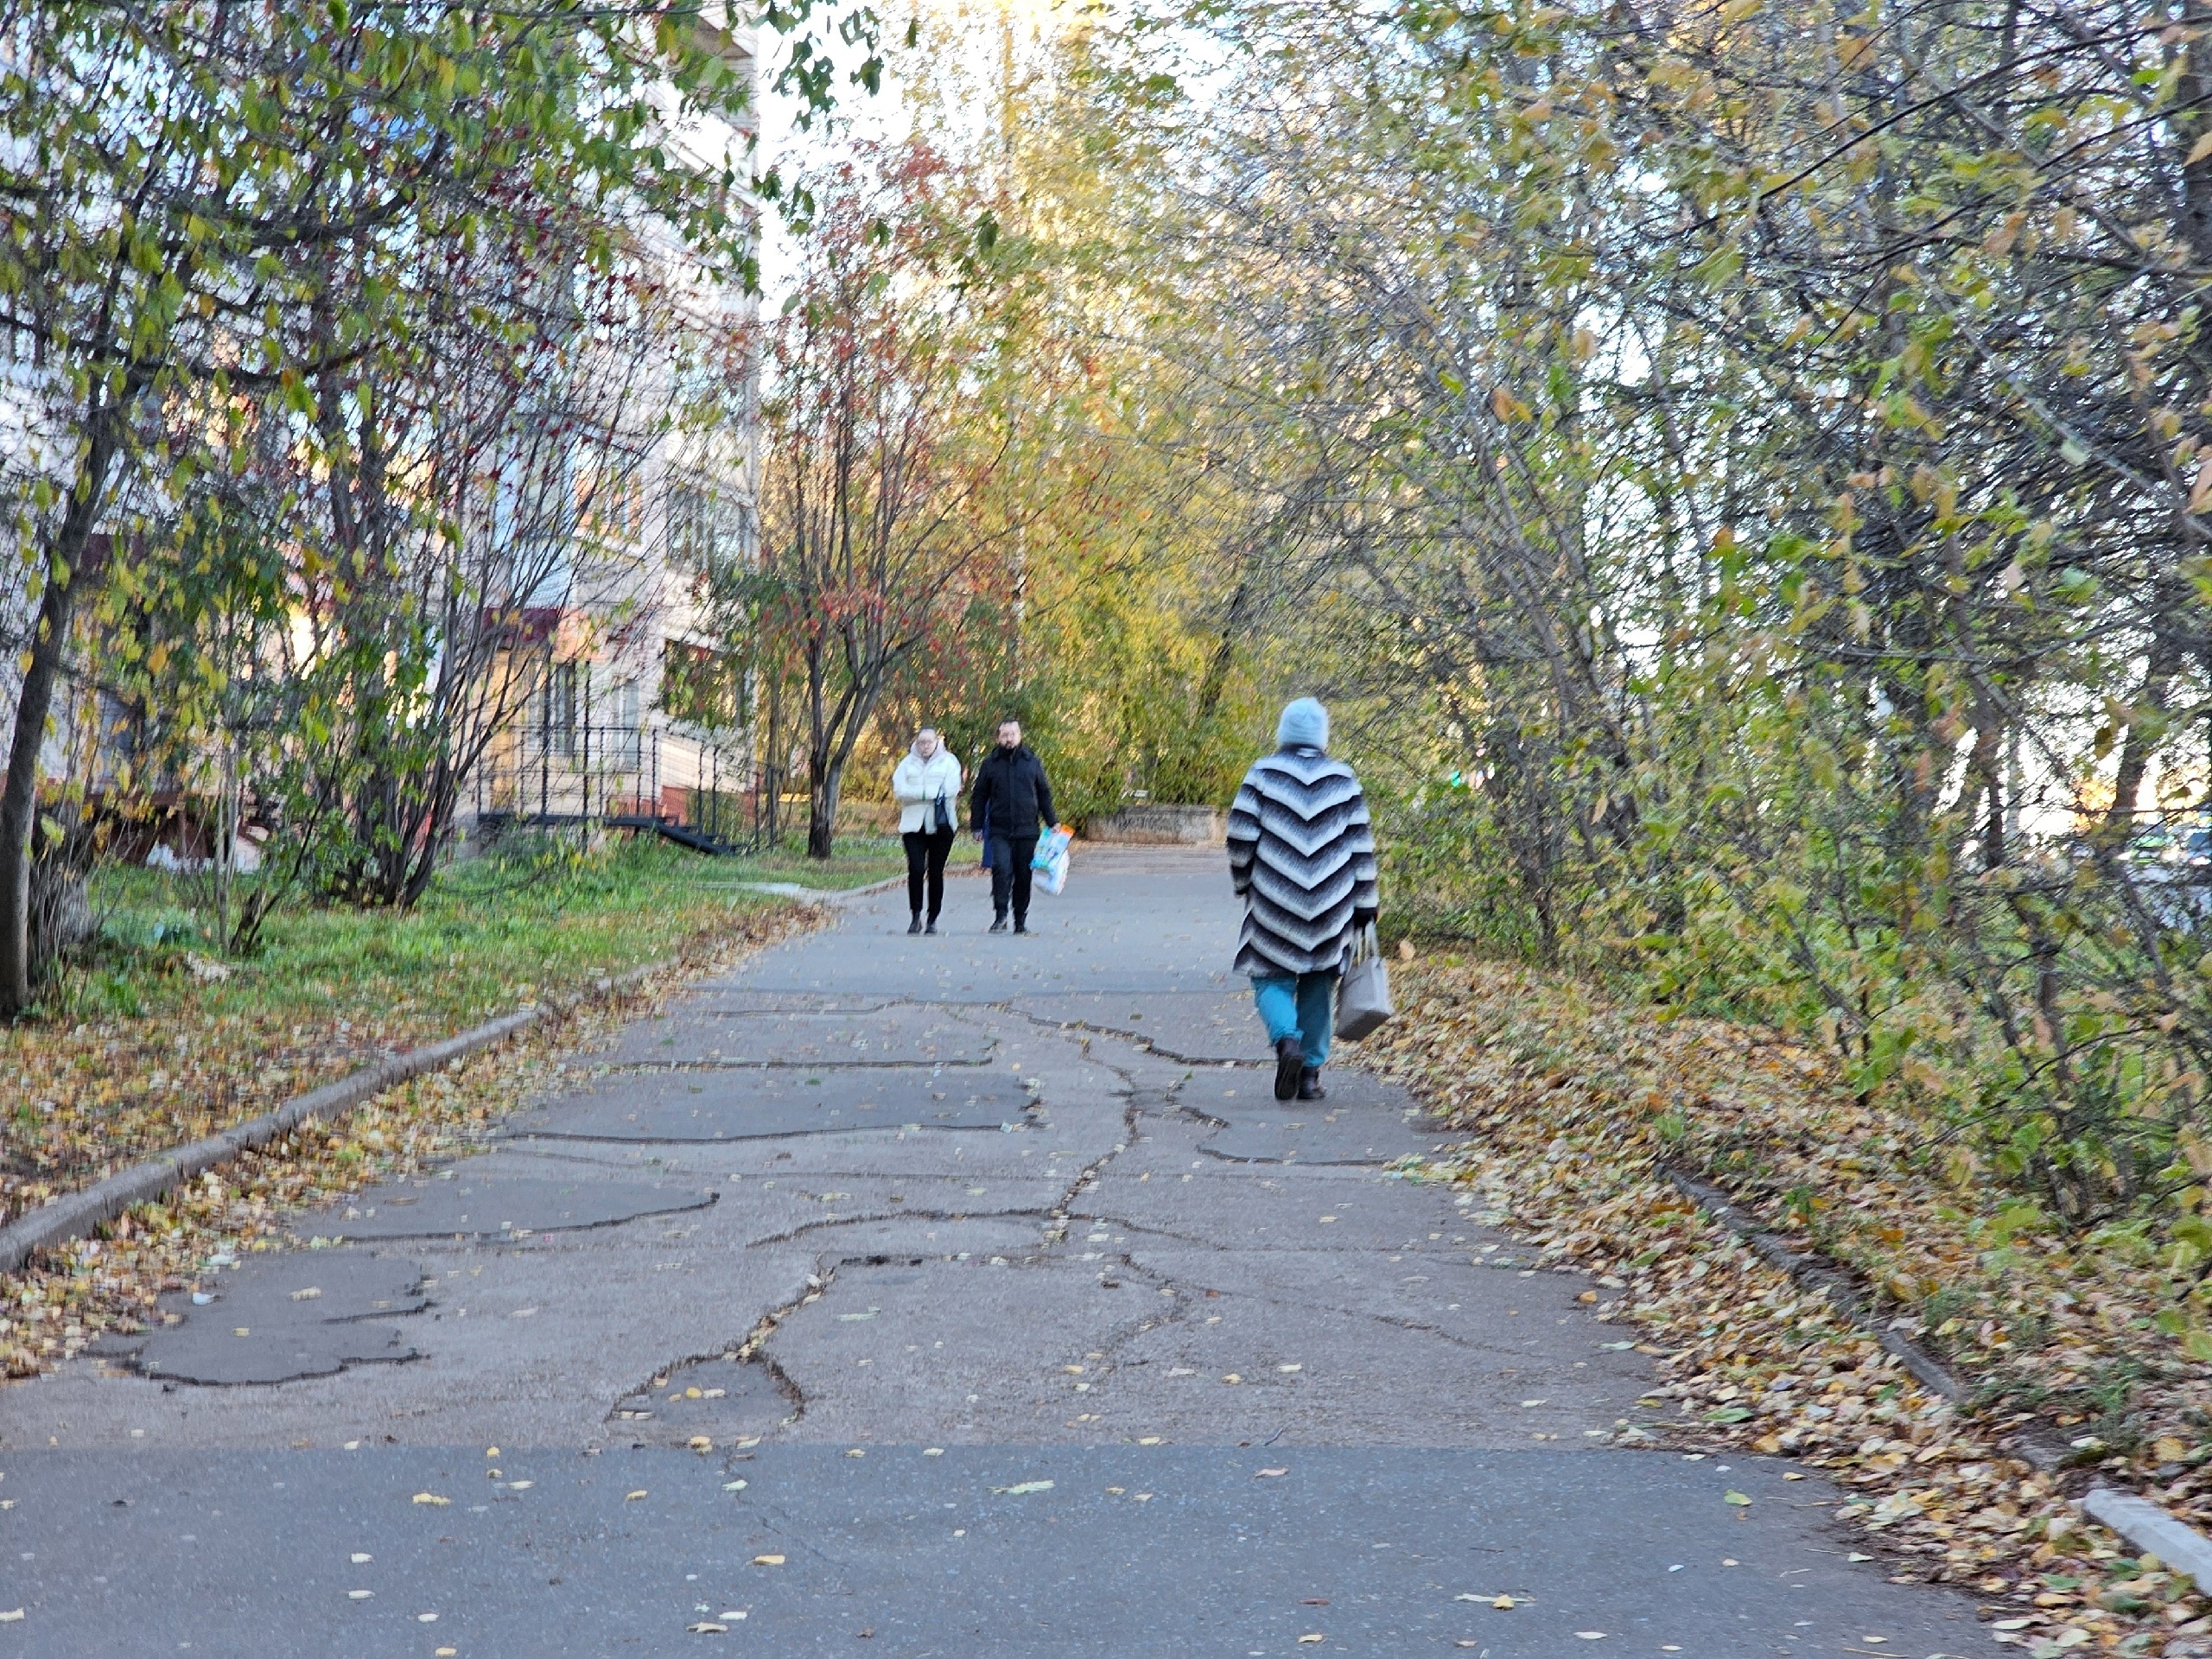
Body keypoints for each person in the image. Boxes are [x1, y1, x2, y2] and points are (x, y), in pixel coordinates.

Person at [1227, 696, 1378, 1103]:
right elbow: (1360, 847)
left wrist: (1244, 881)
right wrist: (1366, 904)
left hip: (1275, 900)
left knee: (1269, 977)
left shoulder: (1262, 774)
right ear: (1321, 736)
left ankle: (1286, 1043)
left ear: (1284, 734)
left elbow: (1240, 836)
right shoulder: (1343, 779)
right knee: (1318, 984)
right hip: (1332, 903)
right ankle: (1310, 1076)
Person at [968, 717, 1055, 935]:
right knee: (1001, 870)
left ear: (1019, 735)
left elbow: (1044, 793)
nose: (1009, 738)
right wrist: (977, 826)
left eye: (1013, 734)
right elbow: (979, 796)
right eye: (1005, 735)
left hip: (1027, 829)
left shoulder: (1032, 762)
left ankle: (1020, 919)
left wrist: (1053, 821)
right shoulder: (990, 764)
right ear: (998, 738)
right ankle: (1000, 916)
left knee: (1023, 875)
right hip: (999, 829)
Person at [892, 728, 963, 935]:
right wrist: (927, 793)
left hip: (941, 825)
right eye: (921, 742)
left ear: (936, 742)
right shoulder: (907, 763)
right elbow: (899, 790)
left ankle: (932, 918)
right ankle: (915, 916)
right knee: (915, 869)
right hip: (913, 826)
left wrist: (916, 793)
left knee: (935, 872)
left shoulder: (949, 762)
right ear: (916, 743)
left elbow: (950, 789)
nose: (924, 746)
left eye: (928, 742)